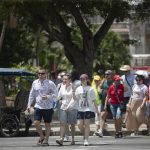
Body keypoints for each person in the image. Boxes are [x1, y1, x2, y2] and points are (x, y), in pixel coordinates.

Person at [27, 68, 57, 146]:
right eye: (39, 73)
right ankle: (41, 136)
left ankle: (46, 140)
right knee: (36, 122)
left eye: (42, 73)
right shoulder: (34, 83)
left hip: (48, 107)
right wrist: (29, 105)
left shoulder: (50, 83)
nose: (41, 75)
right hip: (38, 106)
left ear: (45, 74)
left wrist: (47, 96)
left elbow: (56, 96)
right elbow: (32, 94)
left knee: (47, 124)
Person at [73, 74, 99, 146]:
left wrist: (97, 110)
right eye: (81, 79)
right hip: (80, 109)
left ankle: (86, 139)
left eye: (83, 79)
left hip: (89, 108)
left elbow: (94, 100)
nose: (82, 80)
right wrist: (73, 92)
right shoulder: (78, 89)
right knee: (79, 124)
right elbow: (75, 99)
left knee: (87, 124)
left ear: (87, 80)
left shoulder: (90, 88)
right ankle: (85, 134)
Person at [56, 74, 78, 146]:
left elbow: (74, 99)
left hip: (72, 108)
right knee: (62, 123)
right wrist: (49, 97)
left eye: (66, 79)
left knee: (72, 124)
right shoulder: (61, 87)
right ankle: (61, 139)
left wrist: (68, 107)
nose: (64, 80)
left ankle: (73, 139)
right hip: (63, 107)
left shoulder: (73, 87)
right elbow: (58, 97)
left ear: (69, 80)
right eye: (63, 79)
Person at [95, 70, 113, 137]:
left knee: (116, 117)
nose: (106, 75)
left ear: (111, 75)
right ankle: (101, 131)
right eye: (105, 74)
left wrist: (111, 97)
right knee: (102, 115)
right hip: (103, 101)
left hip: (112, 101)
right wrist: (99, 89)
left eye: (108, 74)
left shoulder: (113, 82)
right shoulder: (103, 81)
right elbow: (99, 86)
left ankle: (118, 131)